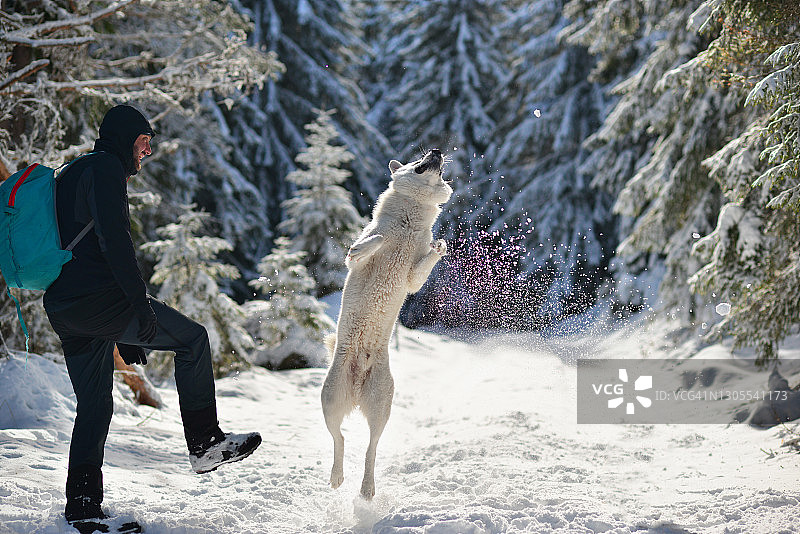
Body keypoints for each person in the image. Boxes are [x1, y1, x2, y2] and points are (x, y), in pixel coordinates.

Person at [43, 104, 262, 526]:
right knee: (192, 339)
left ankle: (83, 507)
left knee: (94, 406)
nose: (146, 153)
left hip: (66, 307)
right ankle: (204, 443)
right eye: (143, 143)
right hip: (96, 300)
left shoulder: (72, 172)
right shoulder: (106, 168)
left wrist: (123, 328)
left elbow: (84, 247)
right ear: (125, 139)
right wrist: (137, 307)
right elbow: (114, 243)